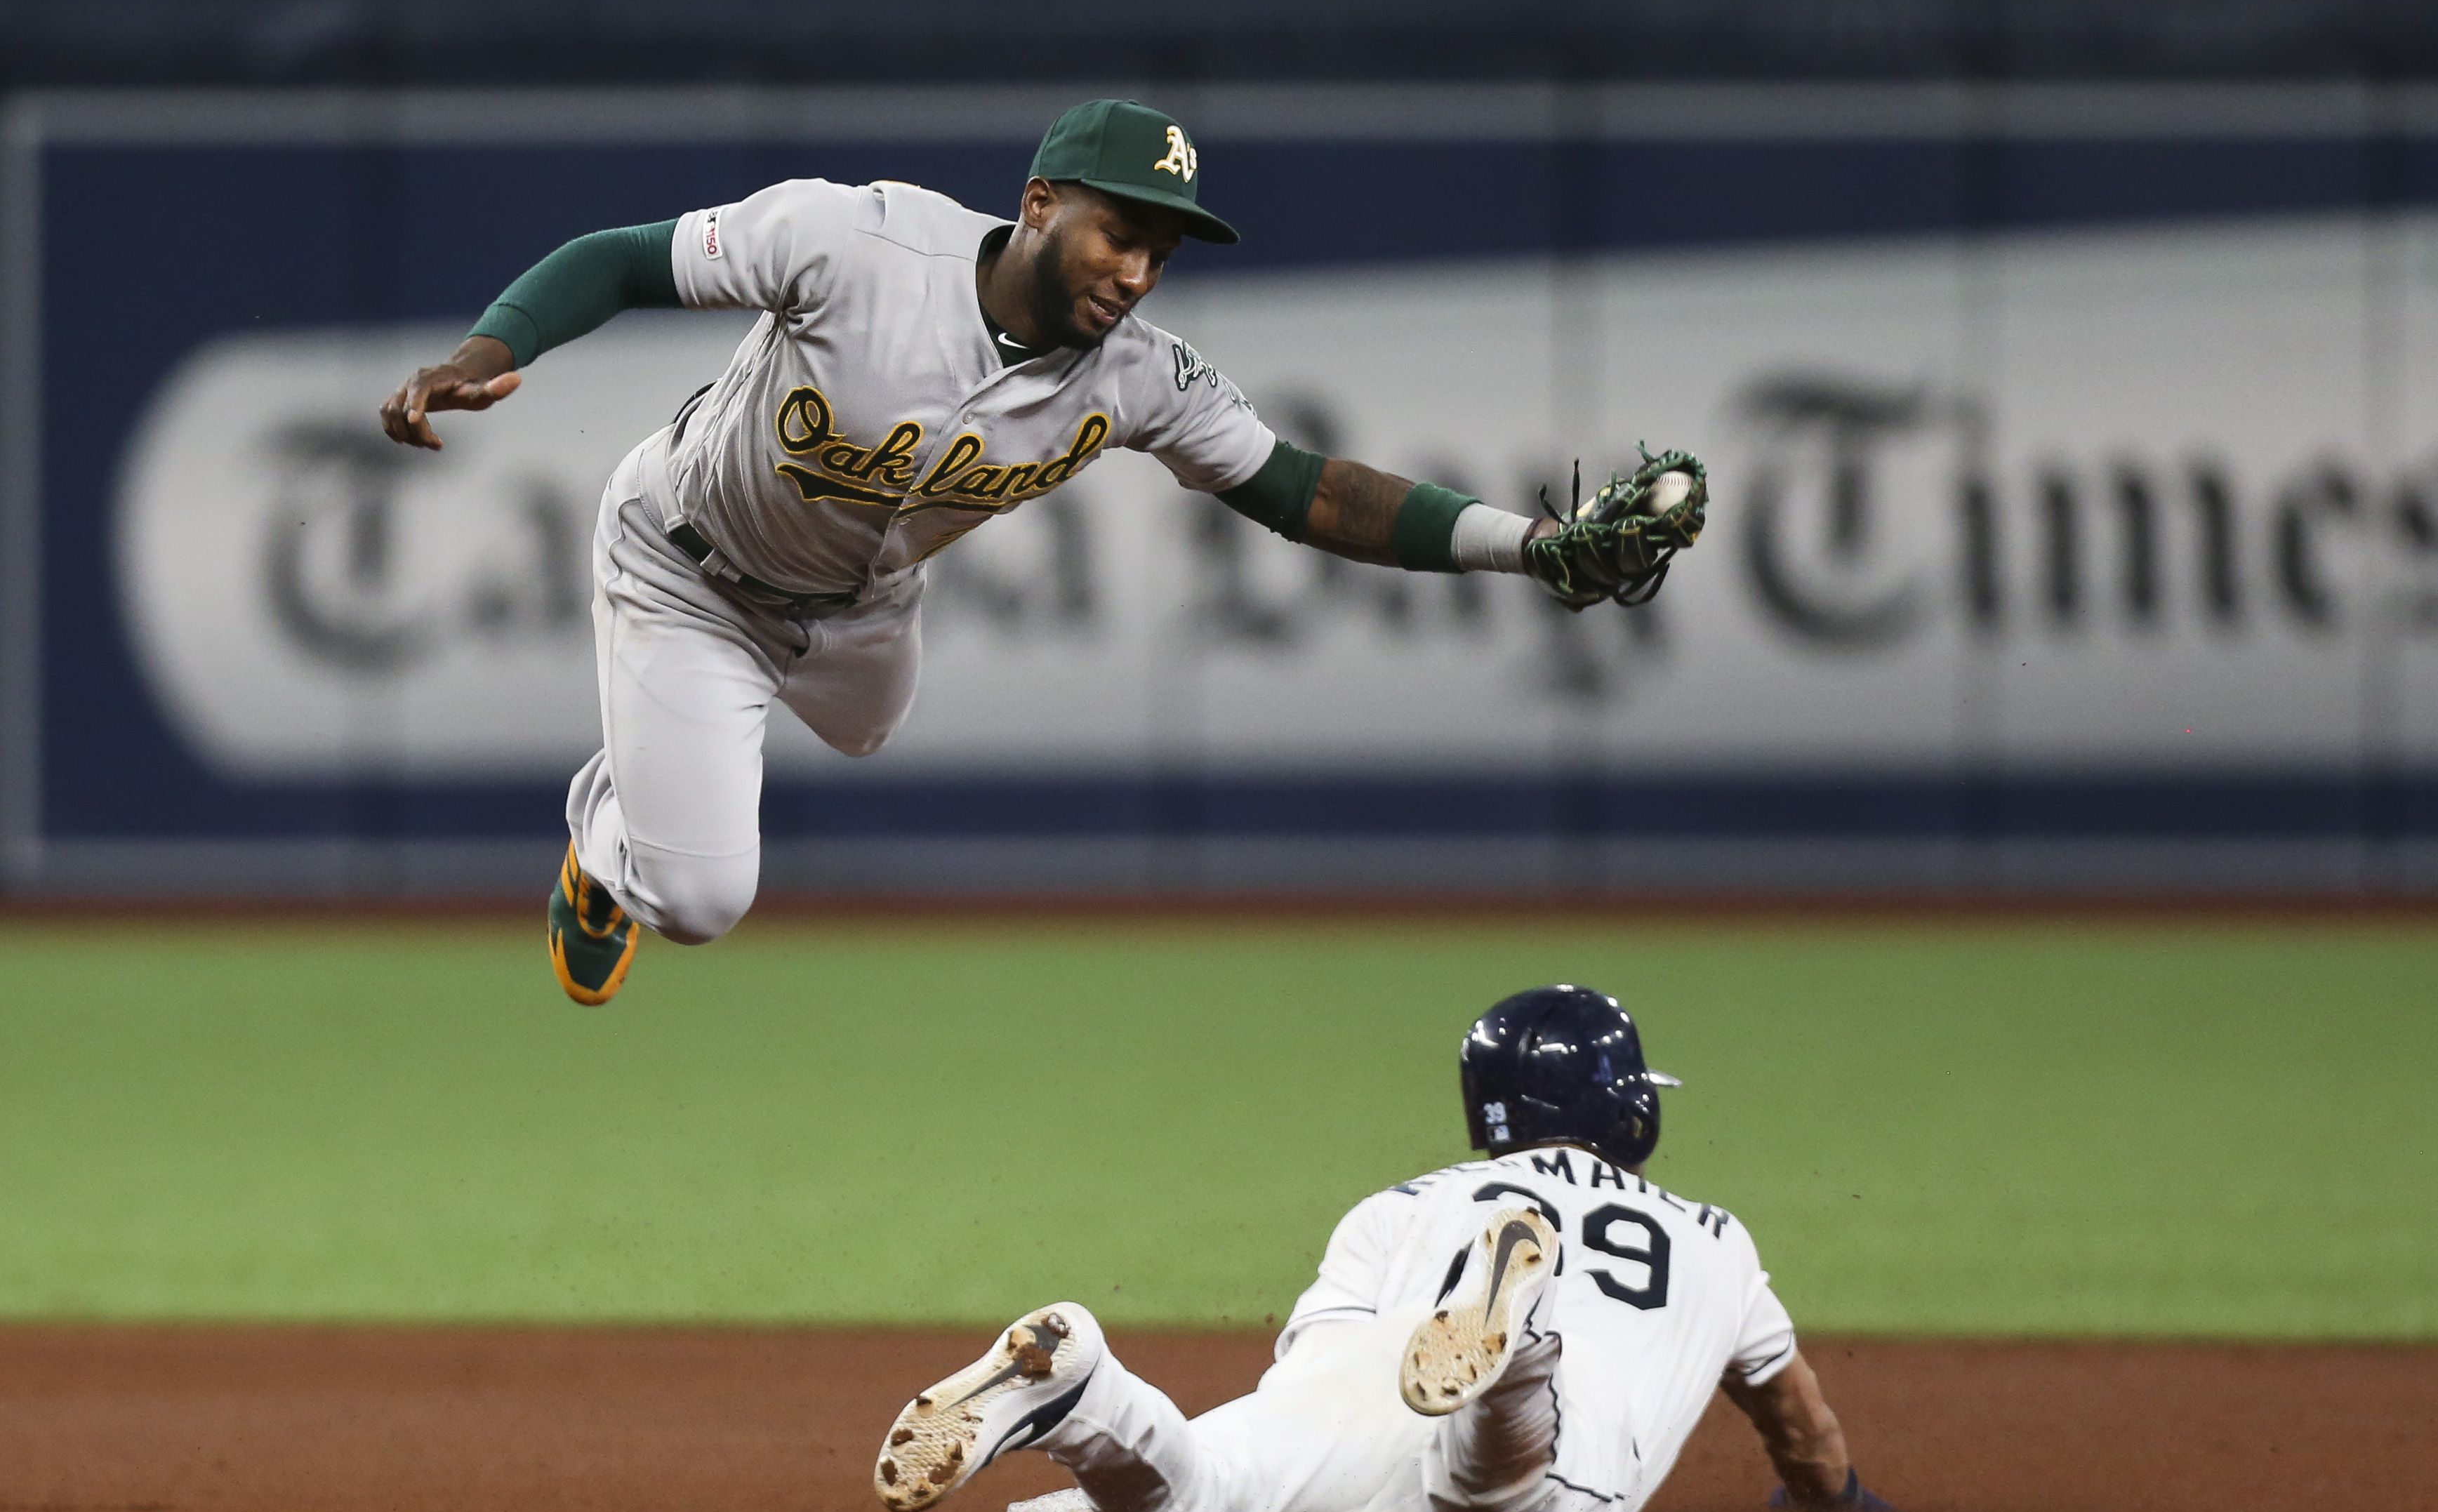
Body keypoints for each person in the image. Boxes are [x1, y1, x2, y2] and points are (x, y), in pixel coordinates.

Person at [378, 100, 1704, 1005]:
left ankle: (670, 777)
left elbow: (1307, 491)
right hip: (683, 566)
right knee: (703, 898)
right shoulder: (856, 240)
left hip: (861, 605)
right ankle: (610, 834)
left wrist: (1525, 547)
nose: (1135, 271)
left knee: (862, 733)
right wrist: (488, 354)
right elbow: (622, 261)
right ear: (1037, 206)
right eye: (1117, 233)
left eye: (1162, 251)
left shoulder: (1138, 374)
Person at [872, 984, 1889, 1512]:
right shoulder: (1714, 1236)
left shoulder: (1402, 1201)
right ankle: (1521, 1347)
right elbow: (1799, 1425)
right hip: (1540, 1456)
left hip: (1368, 1389)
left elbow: (1313, 1379)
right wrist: (1830, 1499)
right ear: (1620, 1102)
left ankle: (1094, 1398)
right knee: (1502, 1511)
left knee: (1199, 1503)